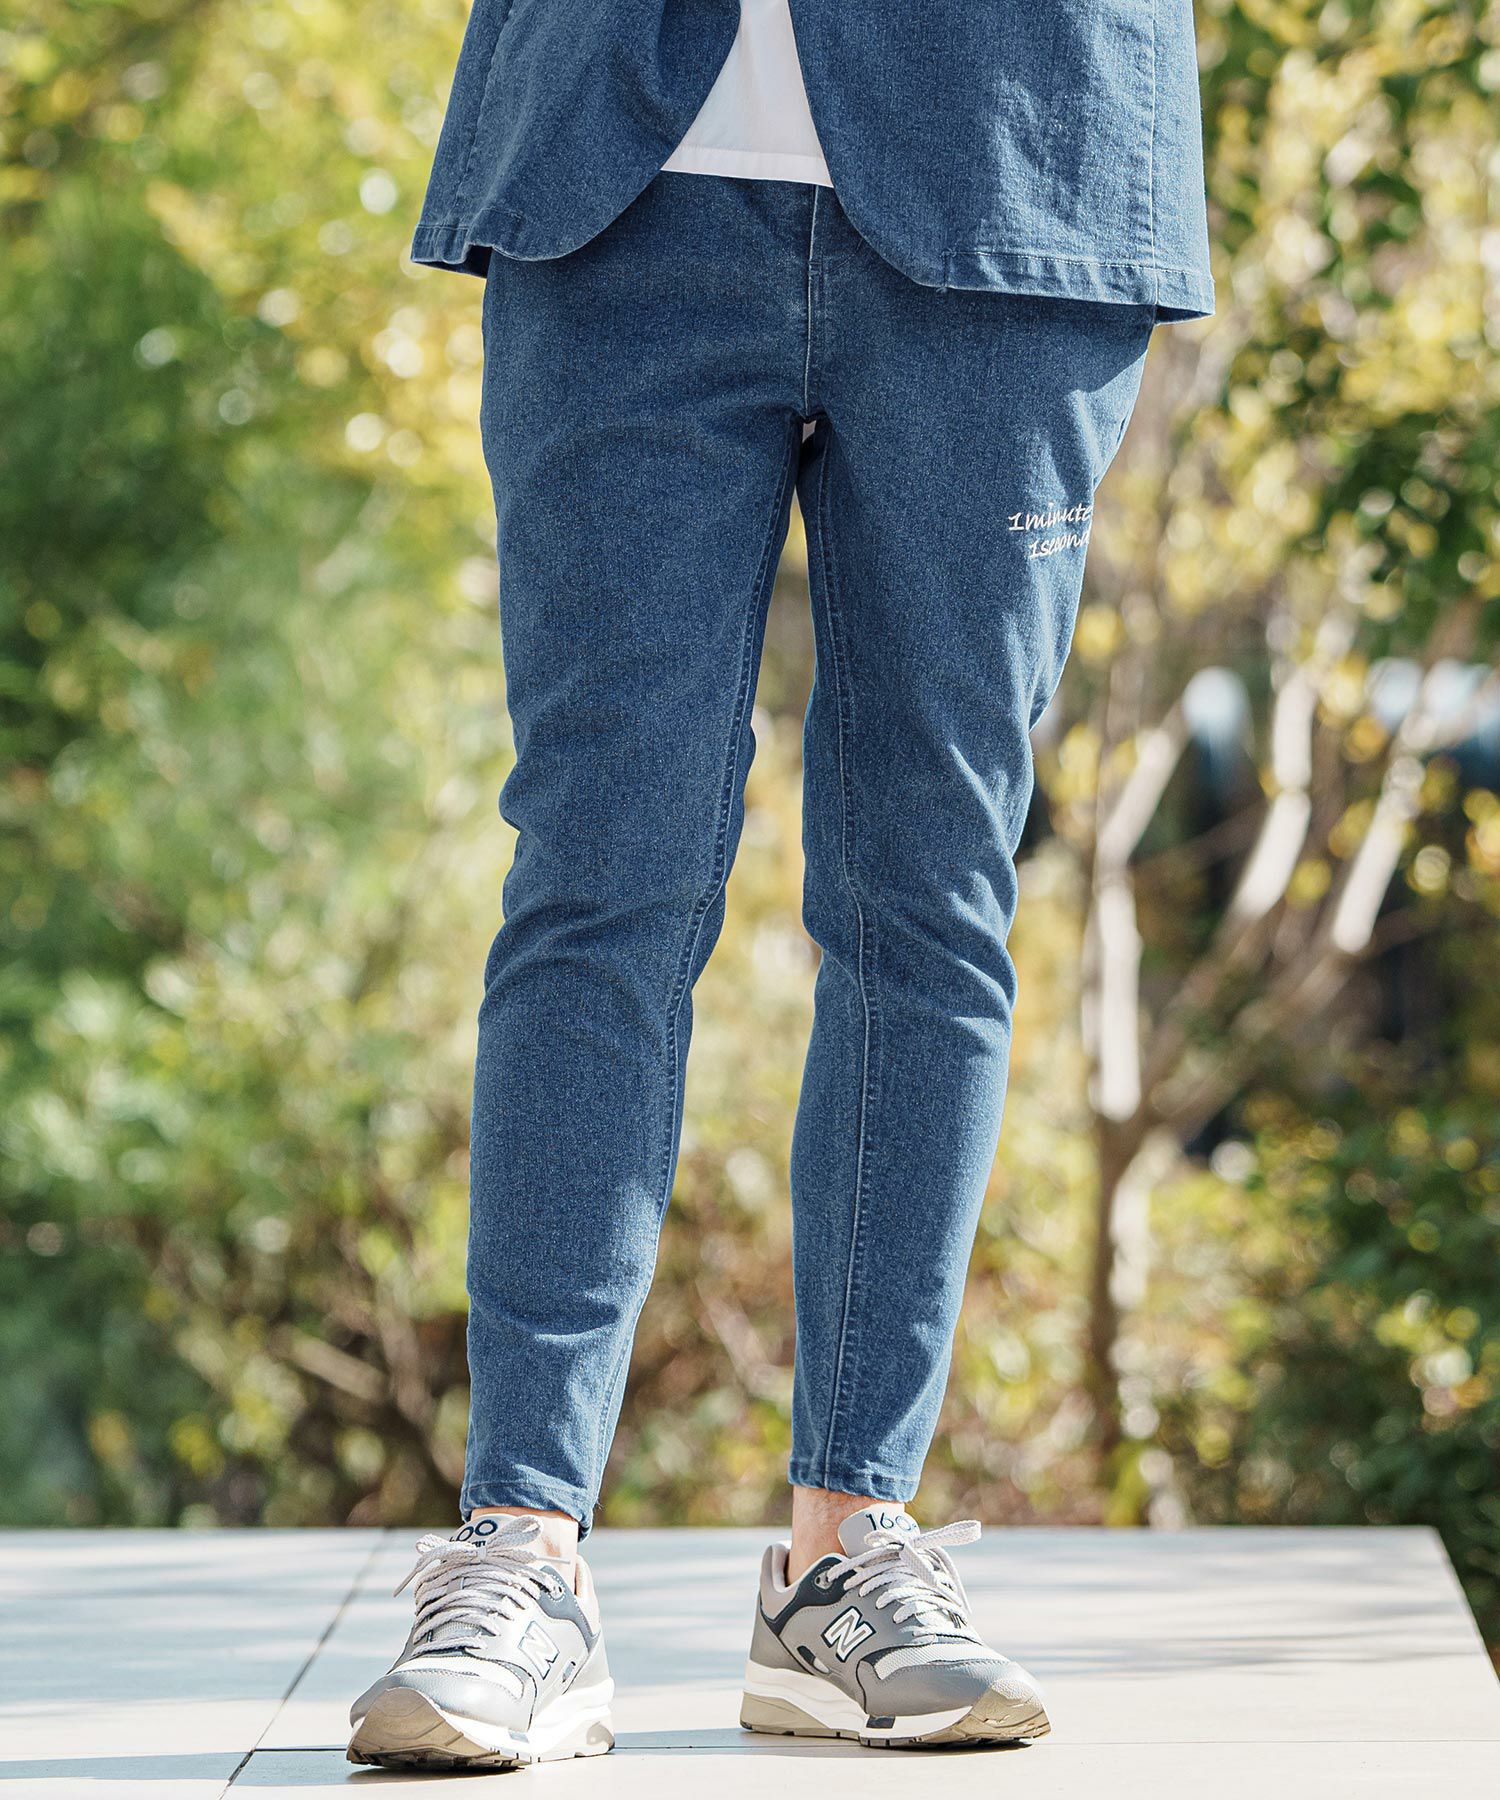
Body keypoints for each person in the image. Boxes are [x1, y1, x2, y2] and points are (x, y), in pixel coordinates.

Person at [347, 0, 1212, 1771]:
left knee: (930, 890)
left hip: (1012, 166)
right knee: (598, 873)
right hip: (616, 169)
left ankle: (848, 1554)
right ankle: (518, 1556)